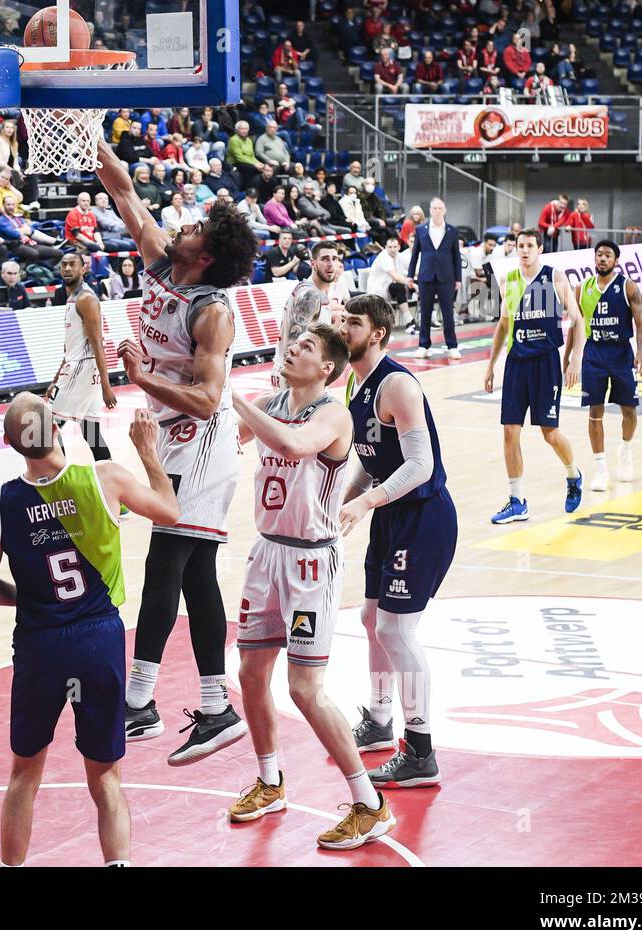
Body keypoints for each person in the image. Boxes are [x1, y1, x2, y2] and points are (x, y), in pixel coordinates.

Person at [94, 135, 261, 764]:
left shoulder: (212, 312)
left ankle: (140, 702)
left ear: (207, 253)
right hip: (174, 435)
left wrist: (143, 380)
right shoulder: (163, 259)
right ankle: (215, 708)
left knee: (166, 565)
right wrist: (90, 138)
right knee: (192, 575)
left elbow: (212, 397)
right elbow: (126, 194)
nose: (183, 223)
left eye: (198, 225)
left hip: (202, 444)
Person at [0, 395, 180, 866]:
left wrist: (34, 600)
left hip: (39, 643)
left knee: (24, 772)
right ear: (60, 427)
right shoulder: (104, 478)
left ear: (9, 443)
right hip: (97, 638)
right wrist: (148, 451)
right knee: (105, 776)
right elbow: (170, 511)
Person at [228, 320, 396, 847]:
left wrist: (232, 397)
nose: (290, 350)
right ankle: (270, 780)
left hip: (309, 566)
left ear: (327, 367)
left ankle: (370, 804)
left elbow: (296, 445)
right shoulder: (271, 401)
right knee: (252, 674)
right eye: (290, 342)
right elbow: (228, 435)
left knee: (304, 689)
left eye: (304, 347)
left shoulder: (333, 414)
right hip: (266, 555)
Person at [337, 293, 457, 789]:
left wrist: (367, 502)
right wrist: (345, 496)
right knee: (371, 620)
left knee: (396, 631)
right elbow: (372, 450)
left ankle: (420, 751)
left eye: (354, 322)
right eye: (342, 319)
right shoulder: (355, 379)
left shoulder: (398, 384)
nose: (343, 328)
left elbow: (420, 465)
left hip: (423, 516)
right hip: (391, 514)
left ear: (378, 333)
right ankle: (380, 720)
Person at [484, 230, 584, 523]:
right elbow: (503, 326)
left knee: (549, 434)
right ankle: (517, 501)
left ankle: (573, 475)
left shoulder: (555, 277)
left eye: (530, 245)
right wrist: (490, 365)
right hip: (517, 362)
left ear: (540, 248)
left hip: (546, 362)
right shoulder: (508, 281)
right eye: (520, 246)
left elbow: (577, 321)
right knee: (509, 431)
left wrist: (575, 359)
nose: (525, 250)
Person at [576, 240, 642, 492]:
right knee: (595, 412)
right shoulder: (582, 288)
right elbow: (575, 324)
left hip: (620, 353)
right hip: (594, 353)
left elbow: (640, 323)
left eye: (607, 255)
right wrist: (571, 358)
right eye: (598, 255)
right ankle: (601, 469)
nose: (602, 259)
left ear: (616, 260)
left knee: (629, 410)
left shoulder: (628, 287)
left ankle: (625, 449)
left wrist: (640, 353)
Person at [44, 252, 117, 462]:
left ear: (83, 269)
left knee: (45, 427)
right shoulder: (73, 298)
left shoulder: (86, 299)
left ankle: (59, 476)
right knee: (90, 431)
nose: (67, 268)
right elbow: (72, 346)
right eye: (64, 265)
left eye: (72, 264)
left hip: (81, 370)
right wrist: (56, 379)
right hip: (79, 368)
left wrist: (106, 386)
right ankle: (108, 473)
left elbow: (97, 344)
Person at [406, 197, 462, 359]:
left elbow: (456, 257)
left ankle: (452, 346)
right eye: (434, 208)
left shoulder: (452, 231)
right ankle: (423, 345)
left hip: (447, 277)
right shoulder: (421, 230)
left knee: (447, 313)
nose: (437, 211)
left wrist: (458, 279)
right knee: (425, 312)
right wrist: (410, 275)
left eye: (440, 208)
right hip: (426, 277)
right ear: (430, 211)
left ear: (445, 211)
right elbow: (415, 254)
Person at [365, 235, 411, 327]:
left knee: (422, 285)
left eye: (394, 247)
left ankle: (428, 318)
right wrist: (409, 283)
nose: (392, 249)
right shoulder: (383, 257)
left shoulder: (399, 256)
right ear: (386, 247)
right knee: (399, 286)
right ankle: (409, 321)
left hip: (388, 289)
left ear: (399, 247)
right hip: (377, 291)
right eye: (390, 247)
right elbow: (395, 276)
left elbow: (412, 269)